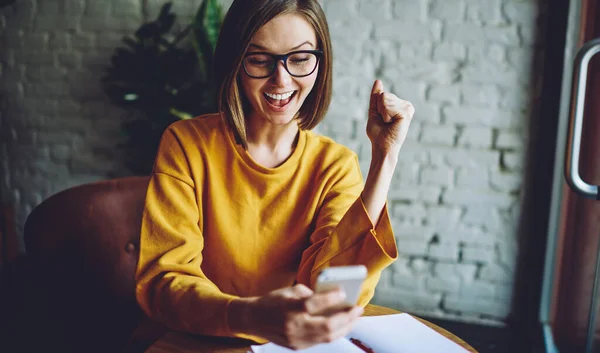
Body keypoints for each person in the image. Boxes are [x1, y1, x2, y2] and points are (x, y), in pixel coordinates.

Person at [135, 0, 415, 350]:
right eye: (259, 59)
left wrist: (385, 158)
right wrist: (248, 315)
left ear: (320, 63)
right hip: (194, 340)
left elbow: (334, 290)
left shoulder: (335, 165)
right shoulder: (186, 144)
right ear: (235, 64)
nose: (281, 79)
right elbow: (165, 280)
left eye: (299, 59)